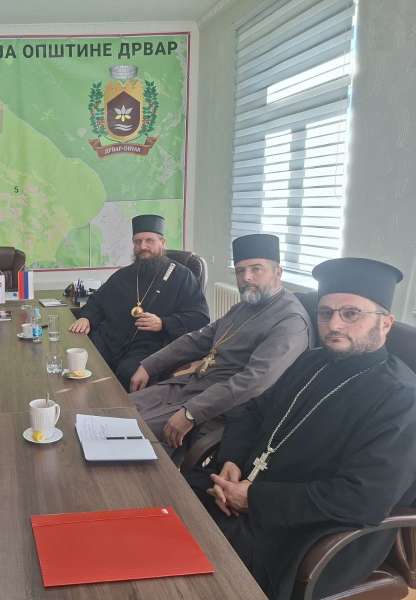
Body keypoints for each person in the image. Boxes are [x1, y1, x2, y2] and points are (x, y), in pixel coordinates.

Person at [185, 257, 416, 600]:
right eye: (325, 313)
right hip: (242, 493)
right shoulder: (312, 361)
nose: (334, 325)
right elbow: (251, 410)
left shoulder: (401, 397)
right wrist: (231, 460)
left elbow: (362, 499)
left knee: (196, 573)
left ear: (385, 323)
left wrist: (253, 499)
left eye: (351, 314)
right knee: (174, 503)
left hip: (307, 534)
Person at [129, 234, 312, 463]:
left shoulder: (291, 322)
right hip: (192, 385)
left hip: (218, 407)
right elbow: (198, 339)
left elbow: (252, 382)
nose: (246, 278)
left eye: (256, 269)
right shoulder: (245, 306)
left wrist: (191, 412)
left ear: (278, 272)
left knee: (130, 432)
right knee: (119, 409)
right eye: (240, 271)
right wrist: (149, 365)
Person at [68, 214, 209, 389]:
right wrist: (86, 318)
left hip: (149, 346)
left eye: (149, 240)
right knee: (80, 360)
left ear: (162, 242)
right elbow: (98, 300)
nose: (143, 246)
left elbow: (200, 317)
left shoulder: (182, 276)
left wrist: (163, 323)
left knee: (127, 373)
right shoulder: (124, 275)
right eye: (137, 241)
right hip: (111, 341)